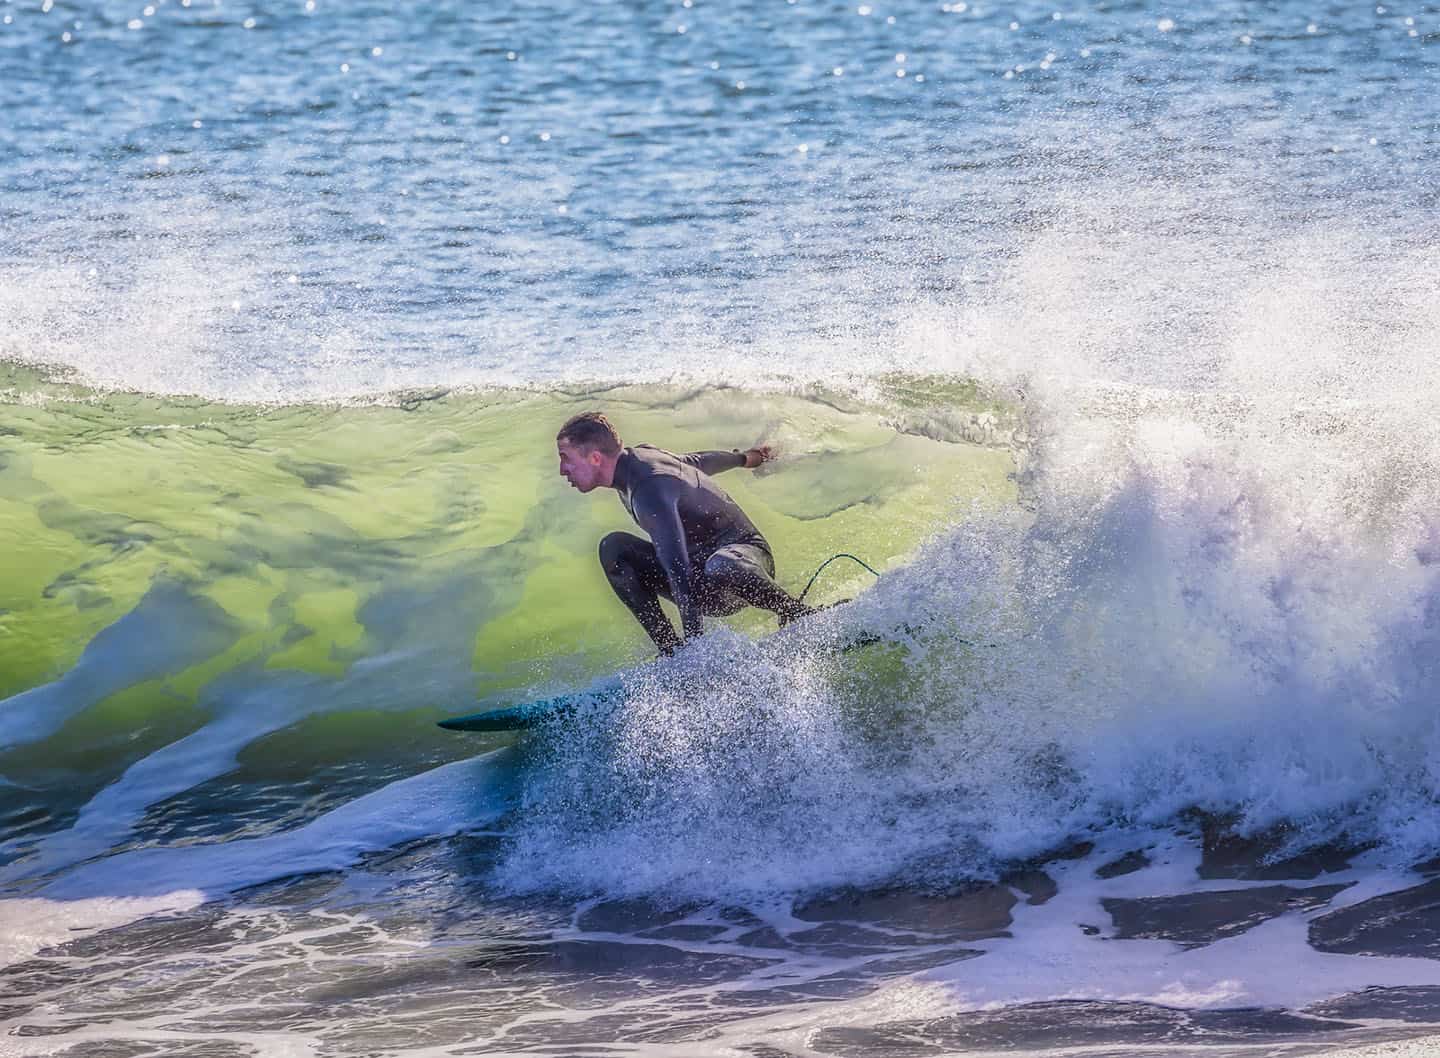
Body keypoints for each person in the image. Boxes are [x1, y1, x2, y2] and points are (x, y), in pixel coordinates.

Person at [556, 411, 815, 655]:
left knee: (721, 565)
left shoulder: (649, 490)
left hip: (742, 564)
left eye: (566, 458)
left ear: (595, 458)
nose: (562, 469)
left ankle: (799, 614)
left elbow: (678, 571)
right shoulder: (639, 459)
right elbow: (694, 463)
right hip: (703, 578)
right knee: (613, 548)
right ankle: (671, 651)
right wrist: (746, 458)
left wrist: (695, 653)